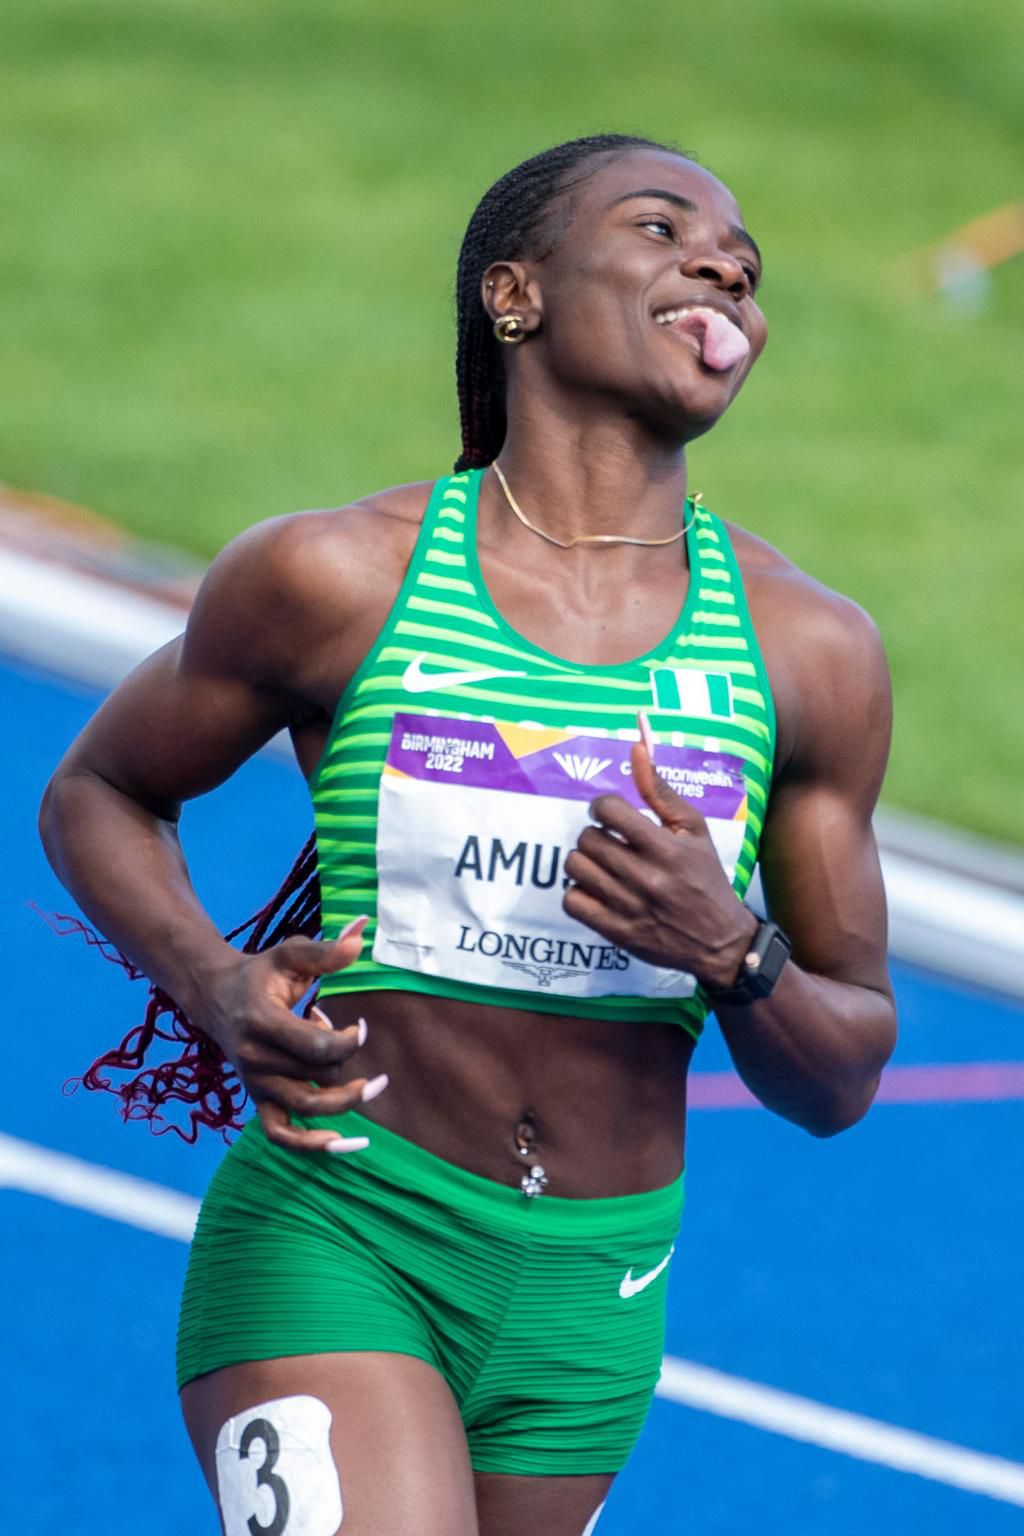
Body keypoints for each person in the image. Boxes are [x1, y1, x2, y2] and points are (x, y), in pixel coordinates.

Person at [40, 133, 897, 1536]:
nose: (723, 261)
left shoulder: (810, 651)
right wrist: (210, 983)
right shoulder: (337, 576)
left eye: (743, 257)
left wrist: (732, 950)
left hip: (593, 1298)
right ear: (518, 294)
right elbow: (99, 792)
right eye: (660, 225)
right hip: (346, 1232)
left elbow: (840, 1073)